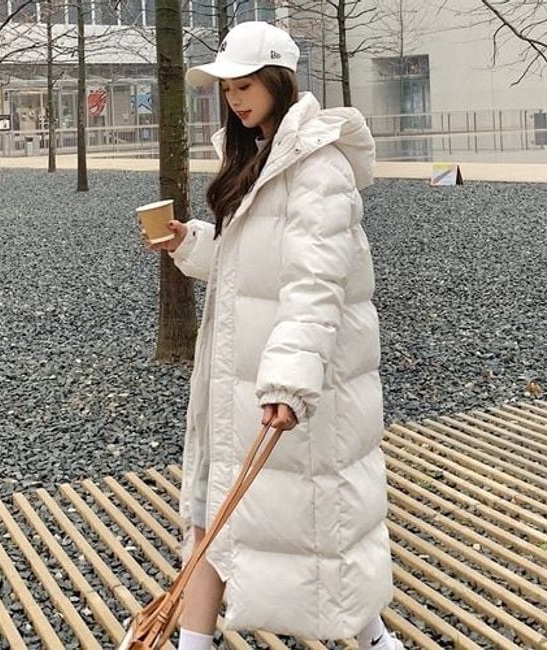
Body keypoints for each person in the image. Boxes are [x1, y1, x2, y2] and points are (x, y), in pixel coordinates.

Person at [144, 20, 401, 650]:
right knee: (217, 512)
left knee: (321, 524)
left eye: (247, 84)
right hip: (245, 376)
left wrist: (287, 378)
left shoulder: (318, 168)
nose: (235, 98)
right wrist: (190, 242)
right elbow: (250, 267)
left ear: (279, 81)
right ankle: (195, 642)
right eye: (228, 87)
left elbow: (314, 281)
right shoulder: (258, 157)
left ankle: (374, 639)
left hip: (295, 377)